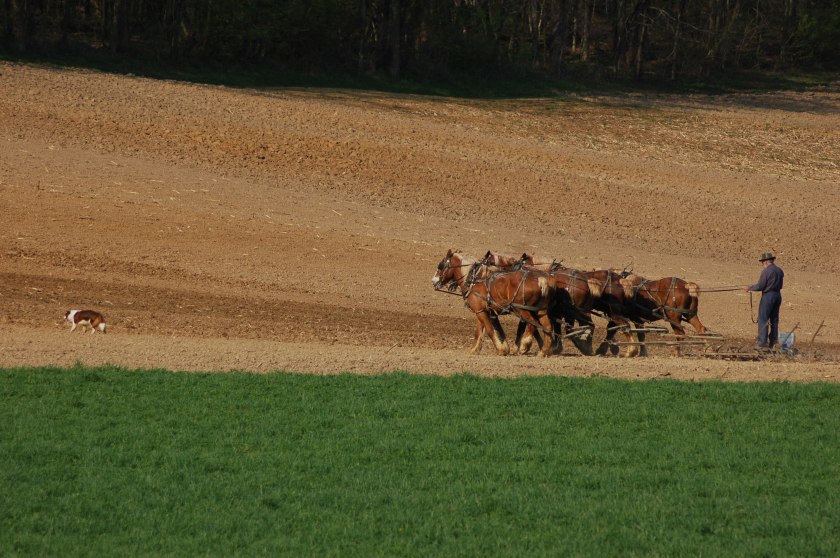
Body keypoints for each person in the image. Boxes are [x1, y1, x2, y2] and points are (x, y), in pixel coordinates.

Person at [743, 252, 784, 348]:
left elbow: (761, 286)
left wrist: (749, 288)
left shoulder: (766, 271)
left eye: (762, 262)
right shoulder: (779, 270)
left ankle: (762, 342)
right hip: (778, 295)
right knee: (774, 319)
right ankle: (774, 341)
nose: (762, 265)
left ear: (765, 262)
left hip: (768, 296)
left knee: (763, 318)